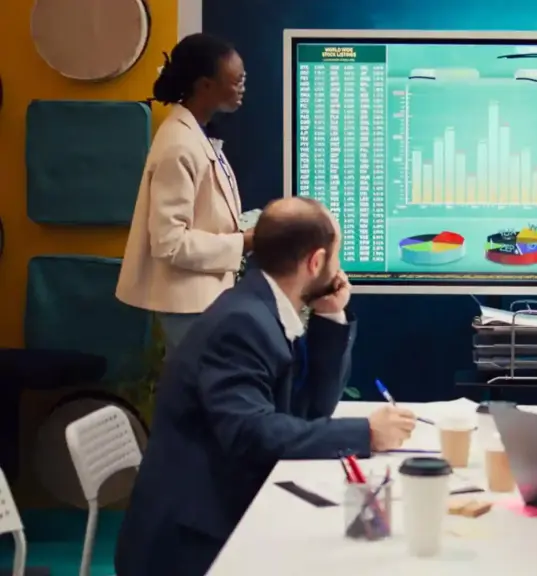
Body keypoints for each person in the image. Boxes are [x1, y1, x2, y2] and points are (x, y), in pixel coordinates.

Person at [114, 197, 418, 576]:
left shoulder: (260, 306)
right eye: (336, 257)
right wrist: (366, 433)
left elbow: (307, 412)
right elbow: (250, 432)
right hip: (189, 543)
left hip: (218, 511)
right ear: (316, 262)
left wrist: (330, 315)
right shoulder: (242, 323)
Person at [116, 33, 251, 356]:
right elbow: (169, 242)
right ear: (205, 85)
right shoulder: (179, 145)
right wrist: (244, 242)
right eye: (237, 79)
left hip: (203, 302)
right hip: (189, 307)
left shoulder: (195, 135)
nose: (243, 86)